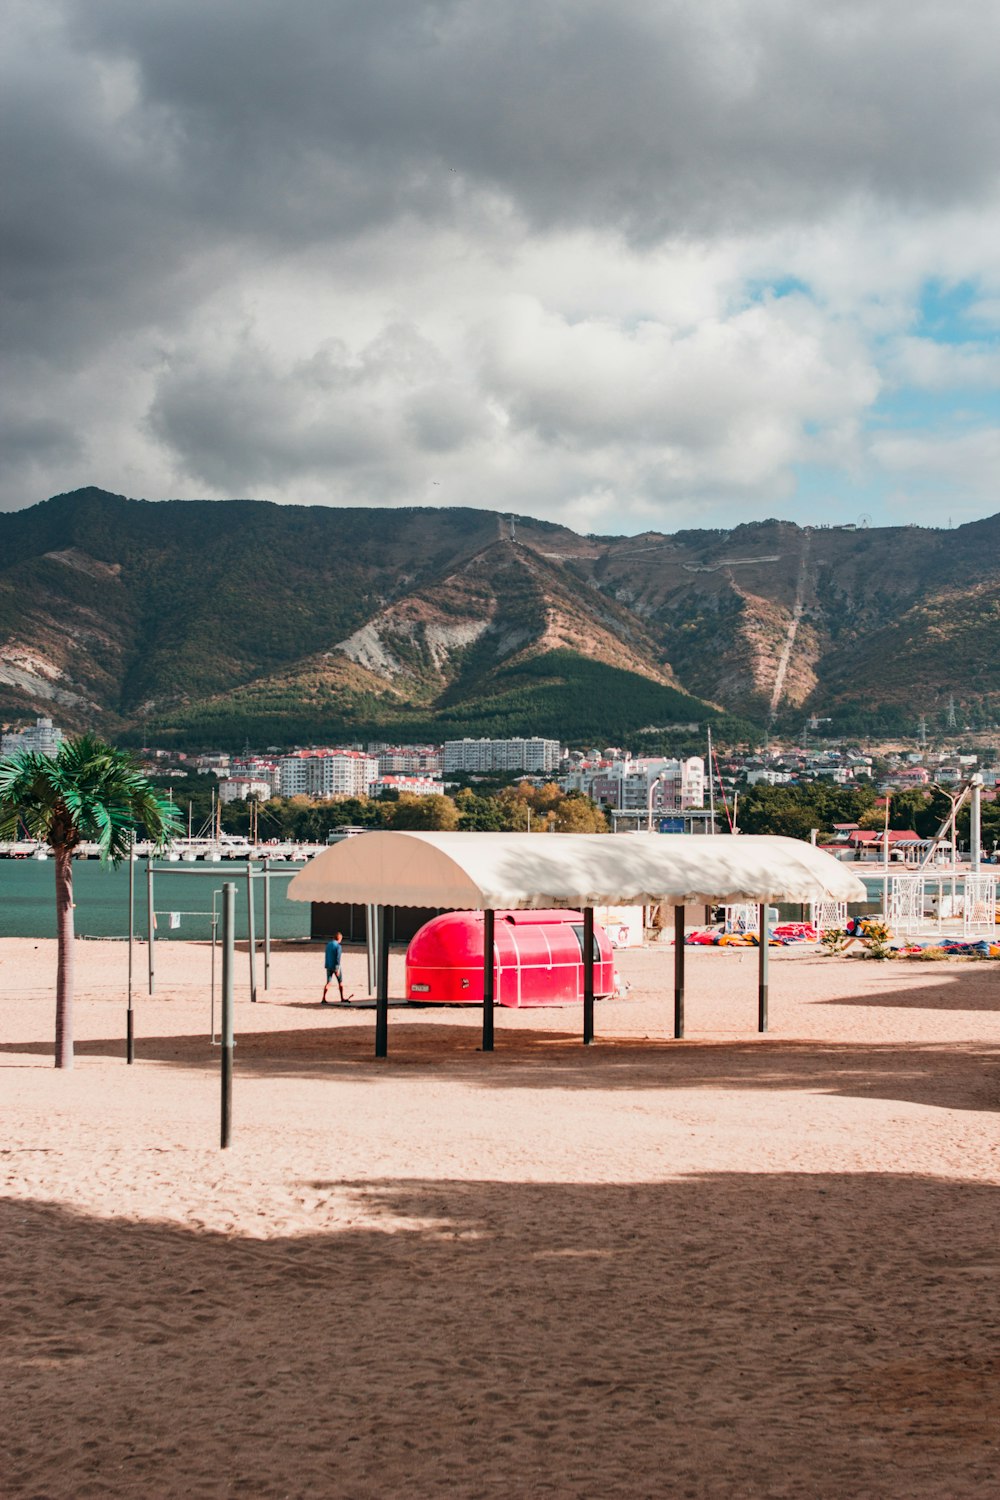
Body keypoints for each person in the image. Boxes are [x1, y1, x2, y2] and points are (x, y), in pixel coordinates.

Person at [322, 931, 348, 1003]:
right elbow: (338, 958)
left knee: (328, 982)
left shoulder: (328, 944)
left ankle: (323, 998)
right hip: (335, 966)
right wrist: (337, 968)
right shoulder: (338, 946)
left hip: (328, 965)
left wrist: (327, 965)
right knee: (340, 982)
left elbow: (326, 955)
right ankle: (342, 998)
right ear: (339, 938)